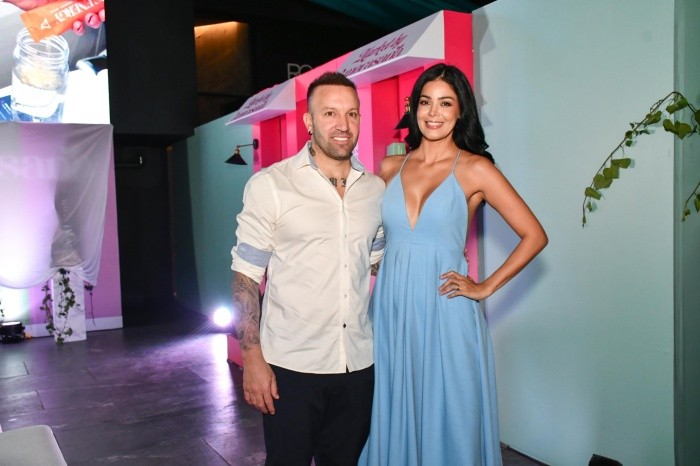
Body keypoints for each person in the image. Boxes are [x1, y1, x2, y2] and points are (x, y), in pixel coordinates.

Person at [359, 63, 548, 466]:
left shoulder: (476, 169)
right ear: (414, 108)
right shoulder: (391, 167)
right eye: (425, 102)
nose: (433, 113)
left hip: (446, 310)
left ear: (461, 111)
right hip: (391, 311)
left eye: (446, 103)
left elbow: (534, 235)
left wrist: (484, 287)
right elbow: (377, 233)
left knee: (452, 415)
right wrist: (379, 261)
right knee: (395, 407)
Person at [230, 71, 385, 466]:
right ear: (309, 121)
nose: (343, 124)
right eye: (330, 113)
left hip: (357, 364)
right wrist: (252, 358)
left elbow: (378, 262)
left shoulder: (375, 190)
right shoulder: (272, 185)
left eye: (352, 114)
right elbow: (245, 277)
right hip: (291, 367)